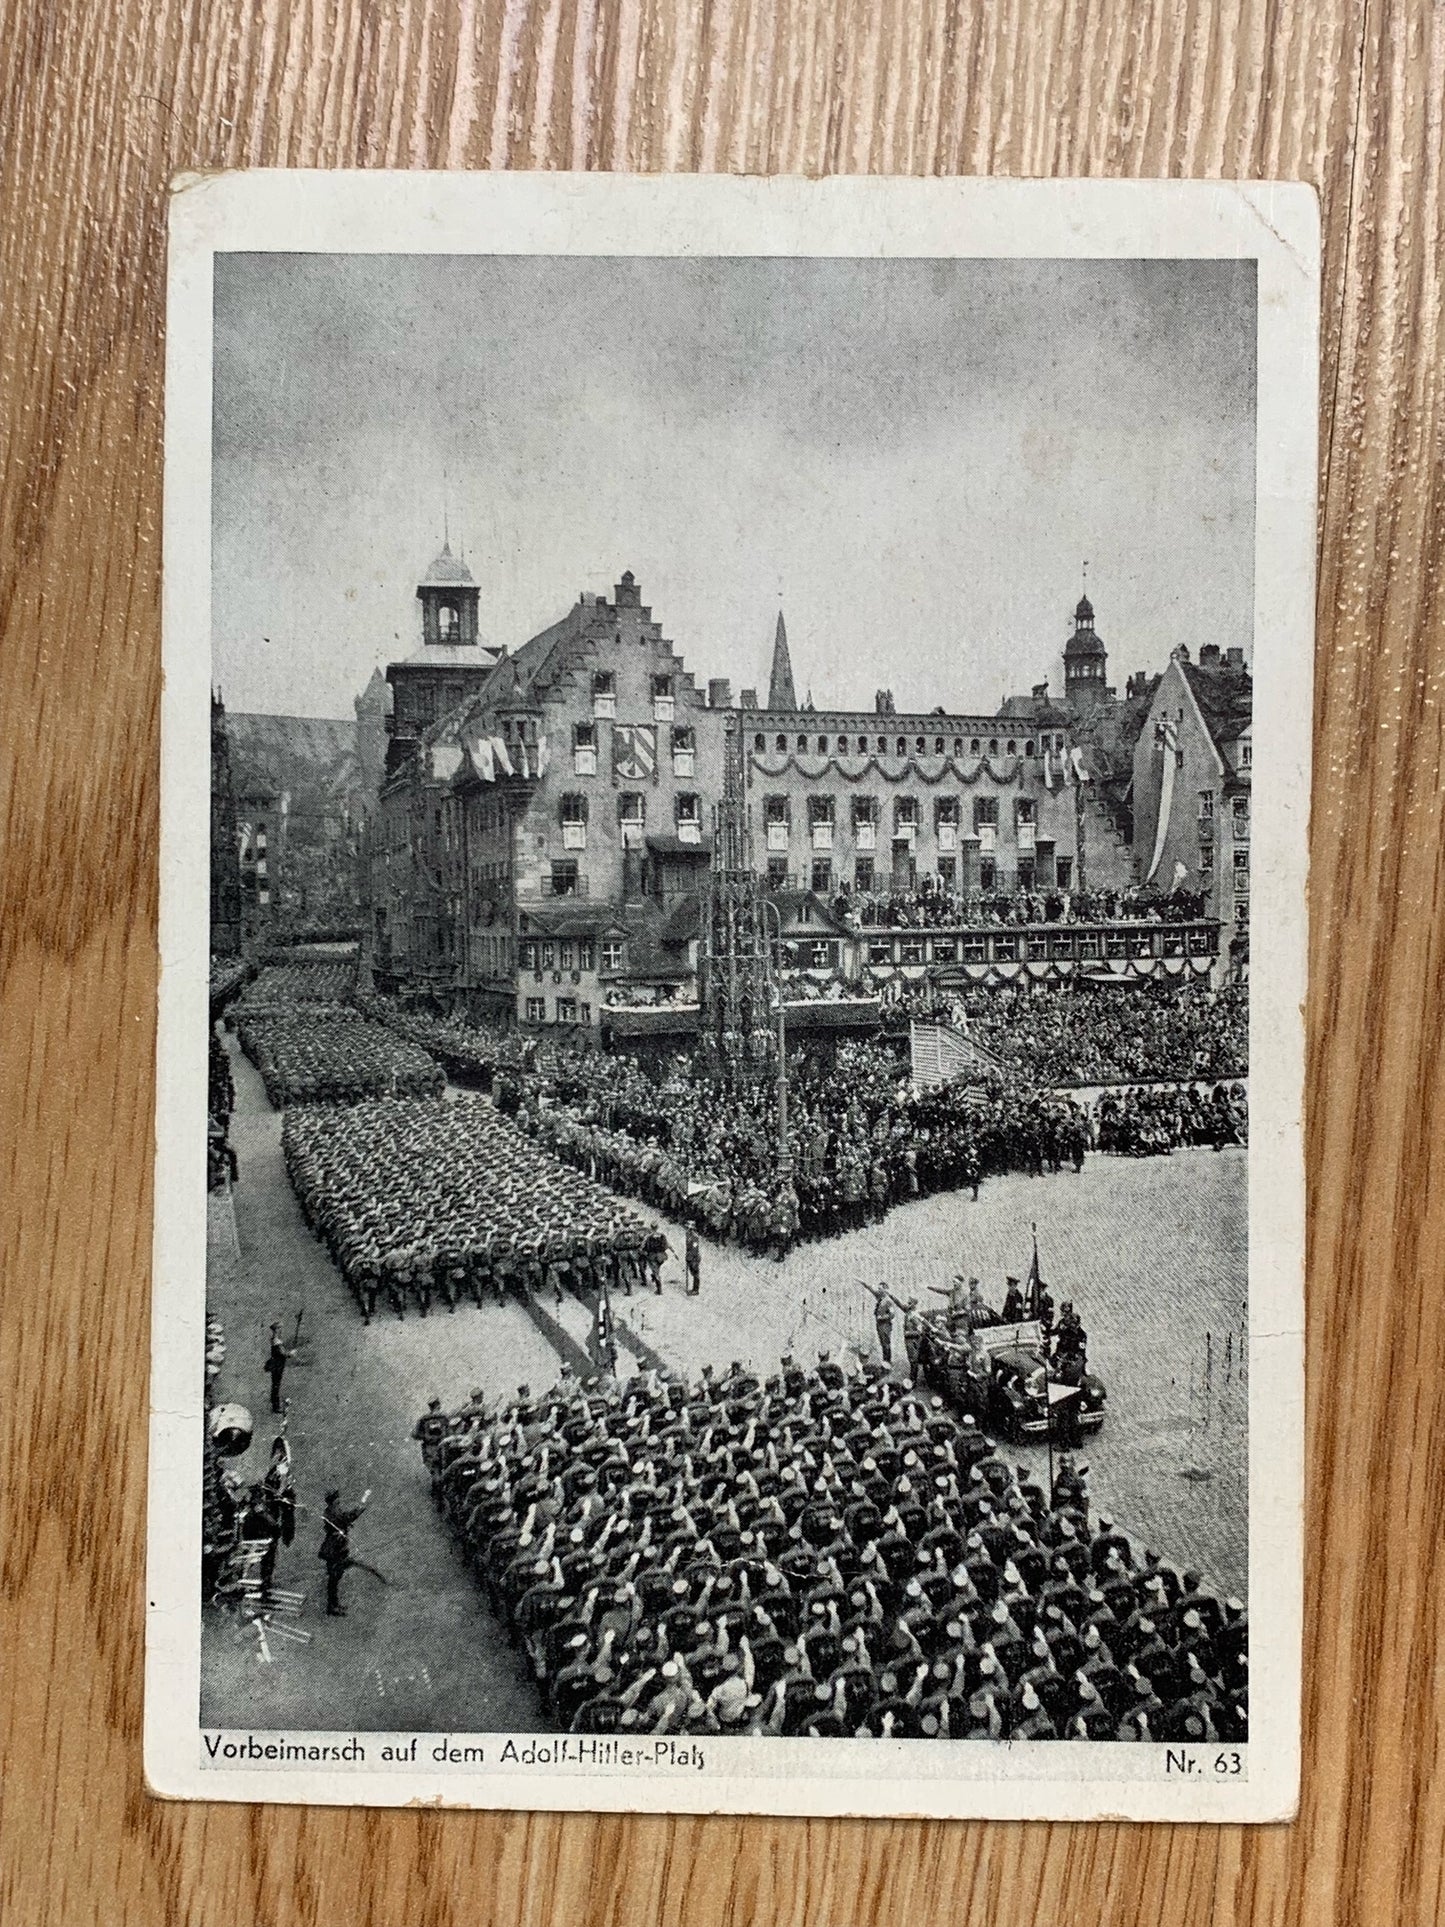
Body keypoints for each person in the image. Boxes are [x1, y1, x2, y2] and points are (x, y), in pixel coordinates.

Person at [318, 1486, 381, 1616]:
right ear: (334, 1500)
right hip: (335, 1549)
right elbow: (350, 1516)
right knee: (334, 1579)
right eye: (337, 1498)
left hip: (333, 1547)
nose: (339, 1501)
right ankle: (332, 1607)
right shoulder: (335, 1512)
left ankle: (334, 1605)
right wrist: (363, 1501)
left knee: (334, 1578)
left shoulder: (330, 1510)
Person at [264, 1321, 294, 1415]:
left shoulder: (275, 1339)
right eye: (279, 1328)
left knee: (275, 1385)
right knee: (276, 1385)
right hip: (277, 1366)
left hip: (277, 1365)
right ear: (276, 1329)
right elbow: (283, 1353)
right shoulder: (276, 1341)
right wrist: (291, 1354)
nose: (281, 1330)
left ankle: (275, 1404)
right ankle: (275, 1407)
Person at [685, 1226, 702, 1296]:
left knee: (696, 1274)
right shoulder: (688, 1235)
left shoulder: (695, 1238)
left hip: (694, 1258)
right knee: (692, 1272)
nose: (689, 1230)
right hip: (689, 1256)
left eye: (690, 1229)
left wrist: (691, 1257)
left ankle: (695, 1290)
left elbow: (695, 1249)